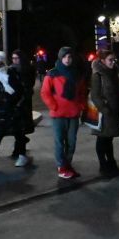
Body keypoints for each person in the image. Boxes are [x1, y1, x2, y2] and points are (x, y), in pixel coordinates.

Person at [40, 47, 88, 179]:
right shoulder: (52, 74)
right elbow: (45, 92)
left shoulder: (77, 74)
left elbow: (83, 92)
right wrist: (53, 106)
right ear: (60, 58)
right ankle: (61, 167)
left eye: (70, 57)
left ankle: (67, 164)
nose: (67, 59)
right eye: (65, 57)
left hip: (73, 113)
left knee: (71, 142)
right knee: (60, 142)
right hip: (58, 114)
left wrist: (81, 105)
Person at [0, 52, 30, 170]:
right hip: (0, 112)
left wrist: (18, 105)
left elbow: (23, 91)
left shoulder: (13, 75)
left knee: (19, 134)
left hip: (15, 110)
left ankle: (22, 155)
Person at [90, 50, 119, 178]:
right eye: (110, 60)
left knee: (109, 139)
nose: (113, 62)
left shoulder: (115, 71)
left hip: (114, 110)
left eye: (113, 59)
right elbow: (95, 94)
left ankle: (111, 163)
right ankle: (103, 165)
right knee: (102, 139)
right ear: (103, 61)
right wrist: (104, 109)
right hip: (104, 113)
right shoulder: (98, 74)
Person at [9, 49, 37, 159]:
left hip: (24, 101)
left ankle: (19, 151)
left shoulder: (28, 69)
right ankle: (20, 147)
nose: (14, 60)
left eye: (17, 58)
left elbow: (29, 85)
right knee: (17, 128)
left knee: (21, 127)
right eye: (13, 58)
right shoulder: (11, 69)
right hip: (15, 101)